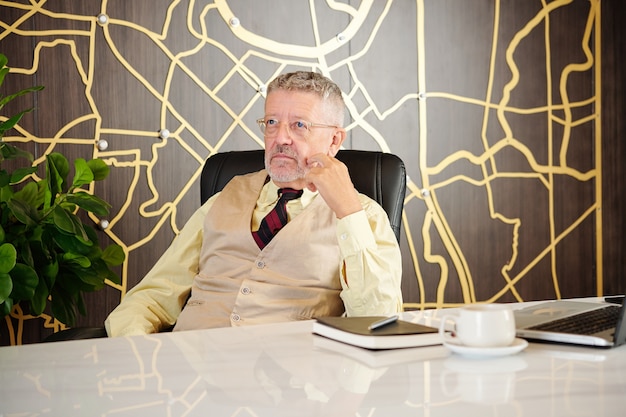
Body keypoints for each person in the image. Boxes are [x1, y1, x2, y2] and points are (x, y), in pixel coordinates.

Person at [105, 71, 403, 336]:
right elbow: (153, 297)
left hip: (292, 386)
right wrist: (137, 359)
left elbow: (378, 322)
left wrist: (347, 210)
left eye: (300, 125)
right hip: (189, 380)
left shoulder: (364, 216)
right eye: (272, 122)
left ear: (335, 141)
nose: (280, 138)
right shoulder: (221, 200)